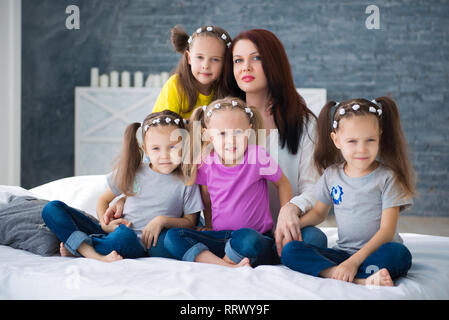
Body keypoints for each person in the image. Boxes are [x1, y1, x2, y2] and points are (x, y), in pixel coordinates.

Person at [281, 97, 416, 286]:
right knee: (290, 251)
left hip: (378, 251)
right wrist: (292, 227)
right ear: (336, 140)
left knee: (400, 256)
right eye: (352, 141)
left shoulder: (387, 177)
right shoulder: (331, 175)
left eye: (370, 140)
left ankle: (344, 273)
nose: (362, 149)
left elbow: (387, 231)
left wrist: (353, 262)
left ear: (380, 137)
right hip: (343, 254)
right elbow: (319, 213)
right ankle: (360, 278)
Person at [41, 110, 204, 262]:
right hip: (115, 233)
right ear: (146, 150)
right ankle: (88, 250)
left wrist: (162, 220)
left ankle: (82, 248)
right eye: (156, 148)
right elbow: (103, 199)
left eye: (172, 147)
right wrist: (105, 225)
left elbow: (190, 221)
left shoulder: (187, 181)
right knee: (52, 208)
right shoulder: (135, 171)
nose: (165, 156)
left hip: (141, 243)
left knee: (130, 239)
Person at [224, 29, 327, 255]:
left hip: (288, 226)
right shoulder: (222, 122)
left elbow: (315, 187)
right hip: (241, 228)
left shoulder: (305, 123)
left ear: (274, 62)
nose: (245, 67)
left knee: (314, 239)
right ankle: (269, 251)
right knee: (246, 241)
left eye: (256, 58)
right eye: (238, 60)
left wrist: (291, 208)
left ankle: (274, 248)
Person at [163, 97, 293, 268]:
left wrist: (284, 218)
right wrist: (208, 224)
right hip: (220, 237)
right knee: (172, 237)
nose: (231, 140)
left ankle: (227, 259)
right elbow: (206, 195)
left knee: (248, 239)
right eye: (222, 134)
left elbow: (283, 184)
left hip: (255, 236)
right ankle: (226, 262)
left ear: (249, 132)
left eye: (238, 132)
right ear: (208, 136)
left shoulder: (257, 156)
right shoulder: (206, 162)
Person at [152, 25, 232, 119]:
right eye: (199, 57)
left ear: (225, 62)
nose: (205, 65)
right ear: (189, 58)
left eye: (215, 59)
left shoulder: (227, 90)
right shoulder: (176, 85)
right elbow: (161, 128)